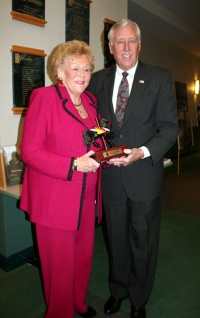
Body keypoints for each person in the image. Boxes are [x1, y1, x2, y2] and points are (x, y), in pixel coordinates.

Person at [87, 18, 179, 318]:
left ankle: (139, 298)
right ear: (110, 47)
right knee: (116, 240)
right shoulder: (97, 81)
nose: (126, 47)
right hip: (112, 178)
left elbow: (168, 128)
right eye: (120, 42)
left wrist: (143, 151)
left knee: (143, 241)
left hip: (144, 176)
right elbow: (92, 127)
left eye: (131, 41)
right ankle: (118, 291)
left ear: (139, 45)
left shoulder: (159, 78)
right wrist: (99, 152)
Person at [20, 40, 103, 318]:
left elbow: (95, 143)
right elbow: (30, 151)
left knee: (82, 260)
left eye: (87, 68)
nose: (82, 74)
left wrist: (108, 155)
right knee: (60, 268)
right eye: (75, 68)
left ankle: (77, 303)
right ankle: (59, 313)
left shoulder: (91, 102)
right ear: (60, 71)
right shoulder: (44, 98)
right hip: (56, 201)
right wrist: (73, 164)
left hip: (86, 199)